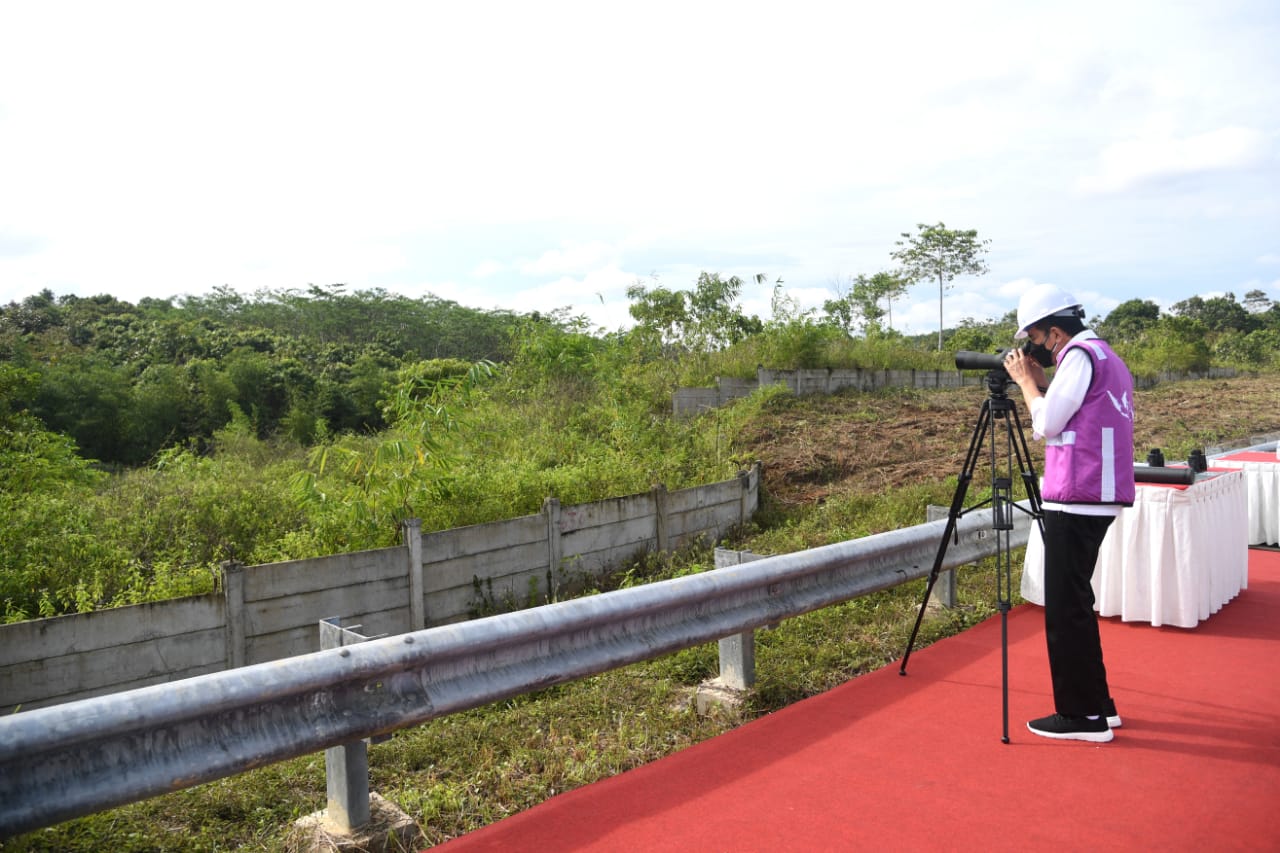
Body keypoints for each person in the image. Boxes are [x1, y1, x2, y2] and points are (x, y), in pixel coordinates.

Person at [1003, 283, 1135, 743]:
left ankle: (1081, 716)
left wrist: (1024, 384)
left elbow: (1046, 423)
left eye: (1037, 339)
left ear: (1054, 331)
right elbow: (1078, 407)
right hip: (1096, 491)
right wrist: (1042, 383)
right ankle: (1099, 706)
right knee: (1077, 602)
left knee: (1065, 608)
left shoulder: (1078, 355)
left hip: (1077, 493)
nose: (1035, 348)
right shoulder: (1104, 356)